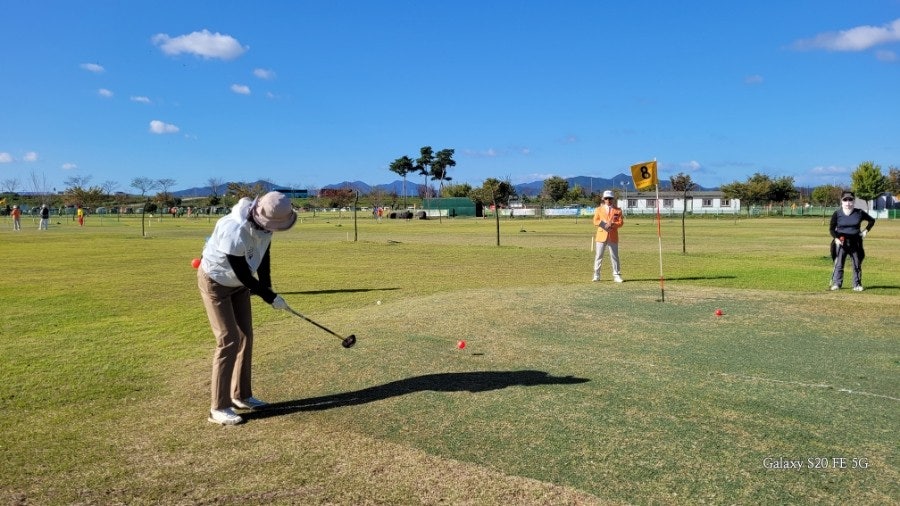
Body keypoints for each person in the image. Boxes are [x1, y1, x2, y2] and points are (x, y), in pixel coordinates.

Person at [198, 191, 298, 425]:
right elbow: (242, 273)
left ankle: (241, 395)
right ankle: (218, 407)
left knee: (246, 336)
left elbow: (263, 256)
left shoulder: (265, 227)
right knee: (228, 339)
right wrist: (269, 297)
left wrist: (267, 286)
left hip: (239, 284)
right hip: (216, 282)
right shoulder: (233, 229)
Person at [829, 191, 875, 291]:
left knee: (856, 264)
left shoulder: (859, 212)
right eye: (845, 200)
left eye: (850, 200)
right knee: (839, 264)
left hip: (855, 242)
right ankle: (837, 283)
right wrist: (836, 238)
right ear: (841, 201)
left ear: (854, 201)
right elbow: (832, 229)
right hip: (842, 242)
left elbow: (872, 220)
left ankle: (857, 284)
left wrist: (865, 231)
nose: (848, 202)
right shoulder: (837, 214)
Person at [592, 190, 624, 283]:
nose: (608, 200)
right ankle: (596, 275)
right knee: (599, 256)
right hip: (601, 235)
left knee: (614, 256)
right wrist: (604, 224)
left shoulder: (618, 210)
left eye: (610, 198)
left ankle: (616, 275)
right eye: (606, 198)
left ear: (613, 199)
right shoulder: (599, 209)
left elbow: (621, 223)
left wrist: (613, 224)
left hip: (613, 236)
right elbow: (595, 221)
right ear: (603, 199)